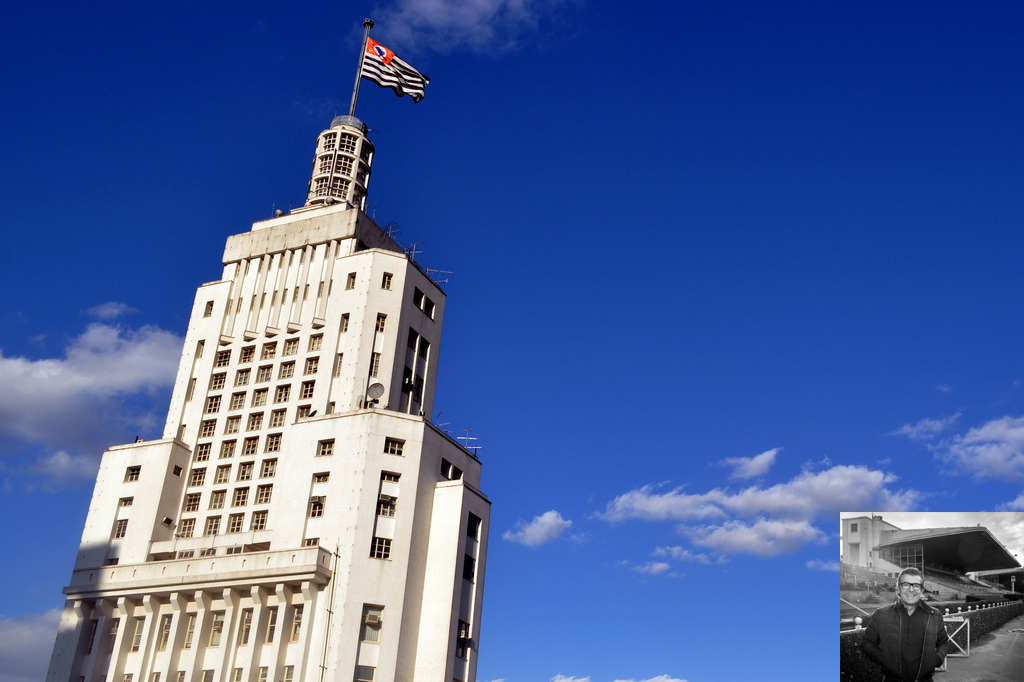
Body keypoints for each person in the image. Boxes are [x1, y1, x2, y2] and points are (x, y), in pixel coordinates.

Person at [861, 567, 949, 682]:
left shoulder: (934, 615)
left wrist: (936, 659)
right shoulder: (880, 614)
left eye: (916, 585)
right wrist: (884, 659)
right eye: (906, 584)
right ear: (898, 589)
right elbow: (867, 643)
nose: (911, 589)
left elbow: (943, 642)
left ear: (922, 590)